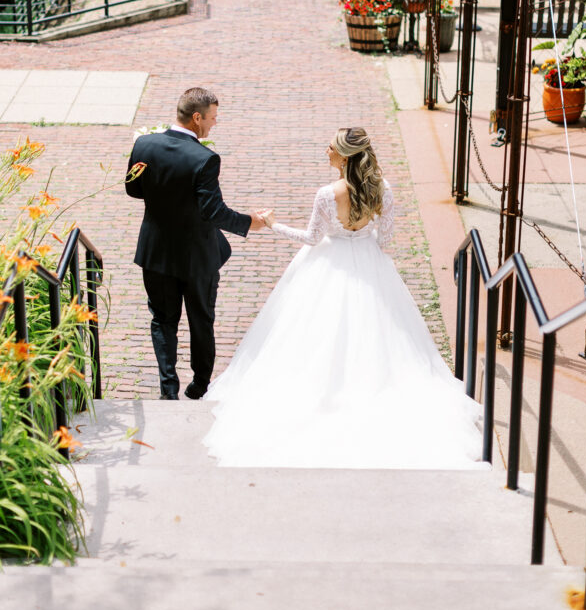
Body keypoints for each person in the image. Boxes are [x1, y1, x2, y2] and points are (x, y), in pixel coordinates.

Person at [202, 128, 483, 469]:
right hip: (369, 263)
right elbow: (387, 238)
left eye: (332, 147)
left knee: (311, 332)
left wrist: (273, 224)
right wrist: (363, 235)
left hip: (326, 263)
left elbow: (310, 238)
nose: (327, 150)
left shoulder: (327, 194)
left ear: (346, 156)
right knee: (378, 333)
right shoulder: (383, 189)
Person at [126, 87, 265, 400]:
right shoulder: (204, 158)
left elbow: (133, 190)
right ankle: (199, 385)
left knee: (163, 320)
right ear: (197, 117)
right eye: (212, 118)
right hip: (197, 256)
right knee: (201, 319)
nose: (214, 124)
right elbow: (213, 211)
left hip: (156, 252)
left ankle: (168, 388)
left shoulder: (144, 144)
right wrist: (249, 222)